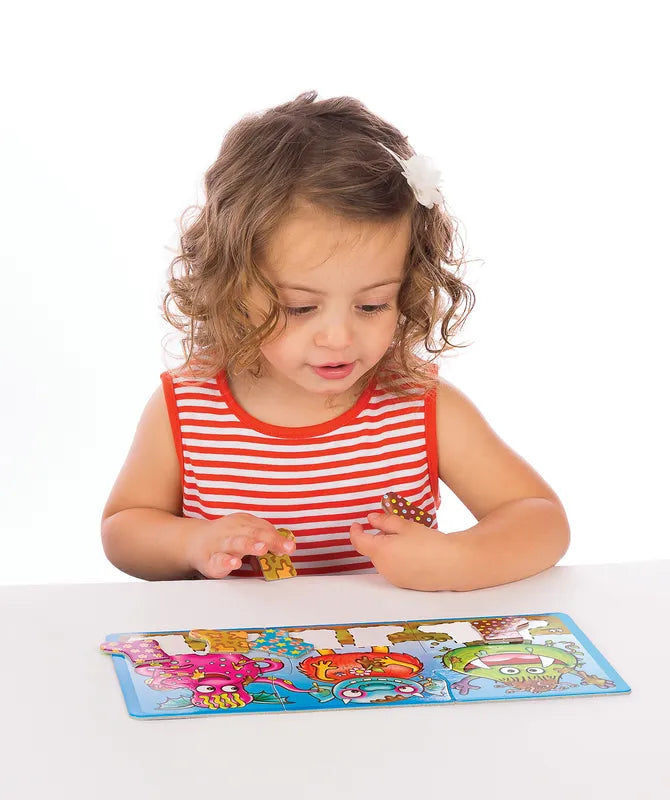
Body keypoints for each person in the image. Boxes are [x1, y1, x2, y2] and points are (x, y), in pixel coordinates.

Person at [101, 90, 570, 591]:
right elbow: (124, 529)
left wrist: (459, 558)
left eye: (372, 305)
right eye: (299, 308)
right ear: (232, 289)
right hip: (239, 666)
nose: (339, 337)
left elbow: (540, 519)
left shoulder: (419, 405)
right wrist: (190, 543)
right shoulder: (189, 408)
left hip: (395, 664)